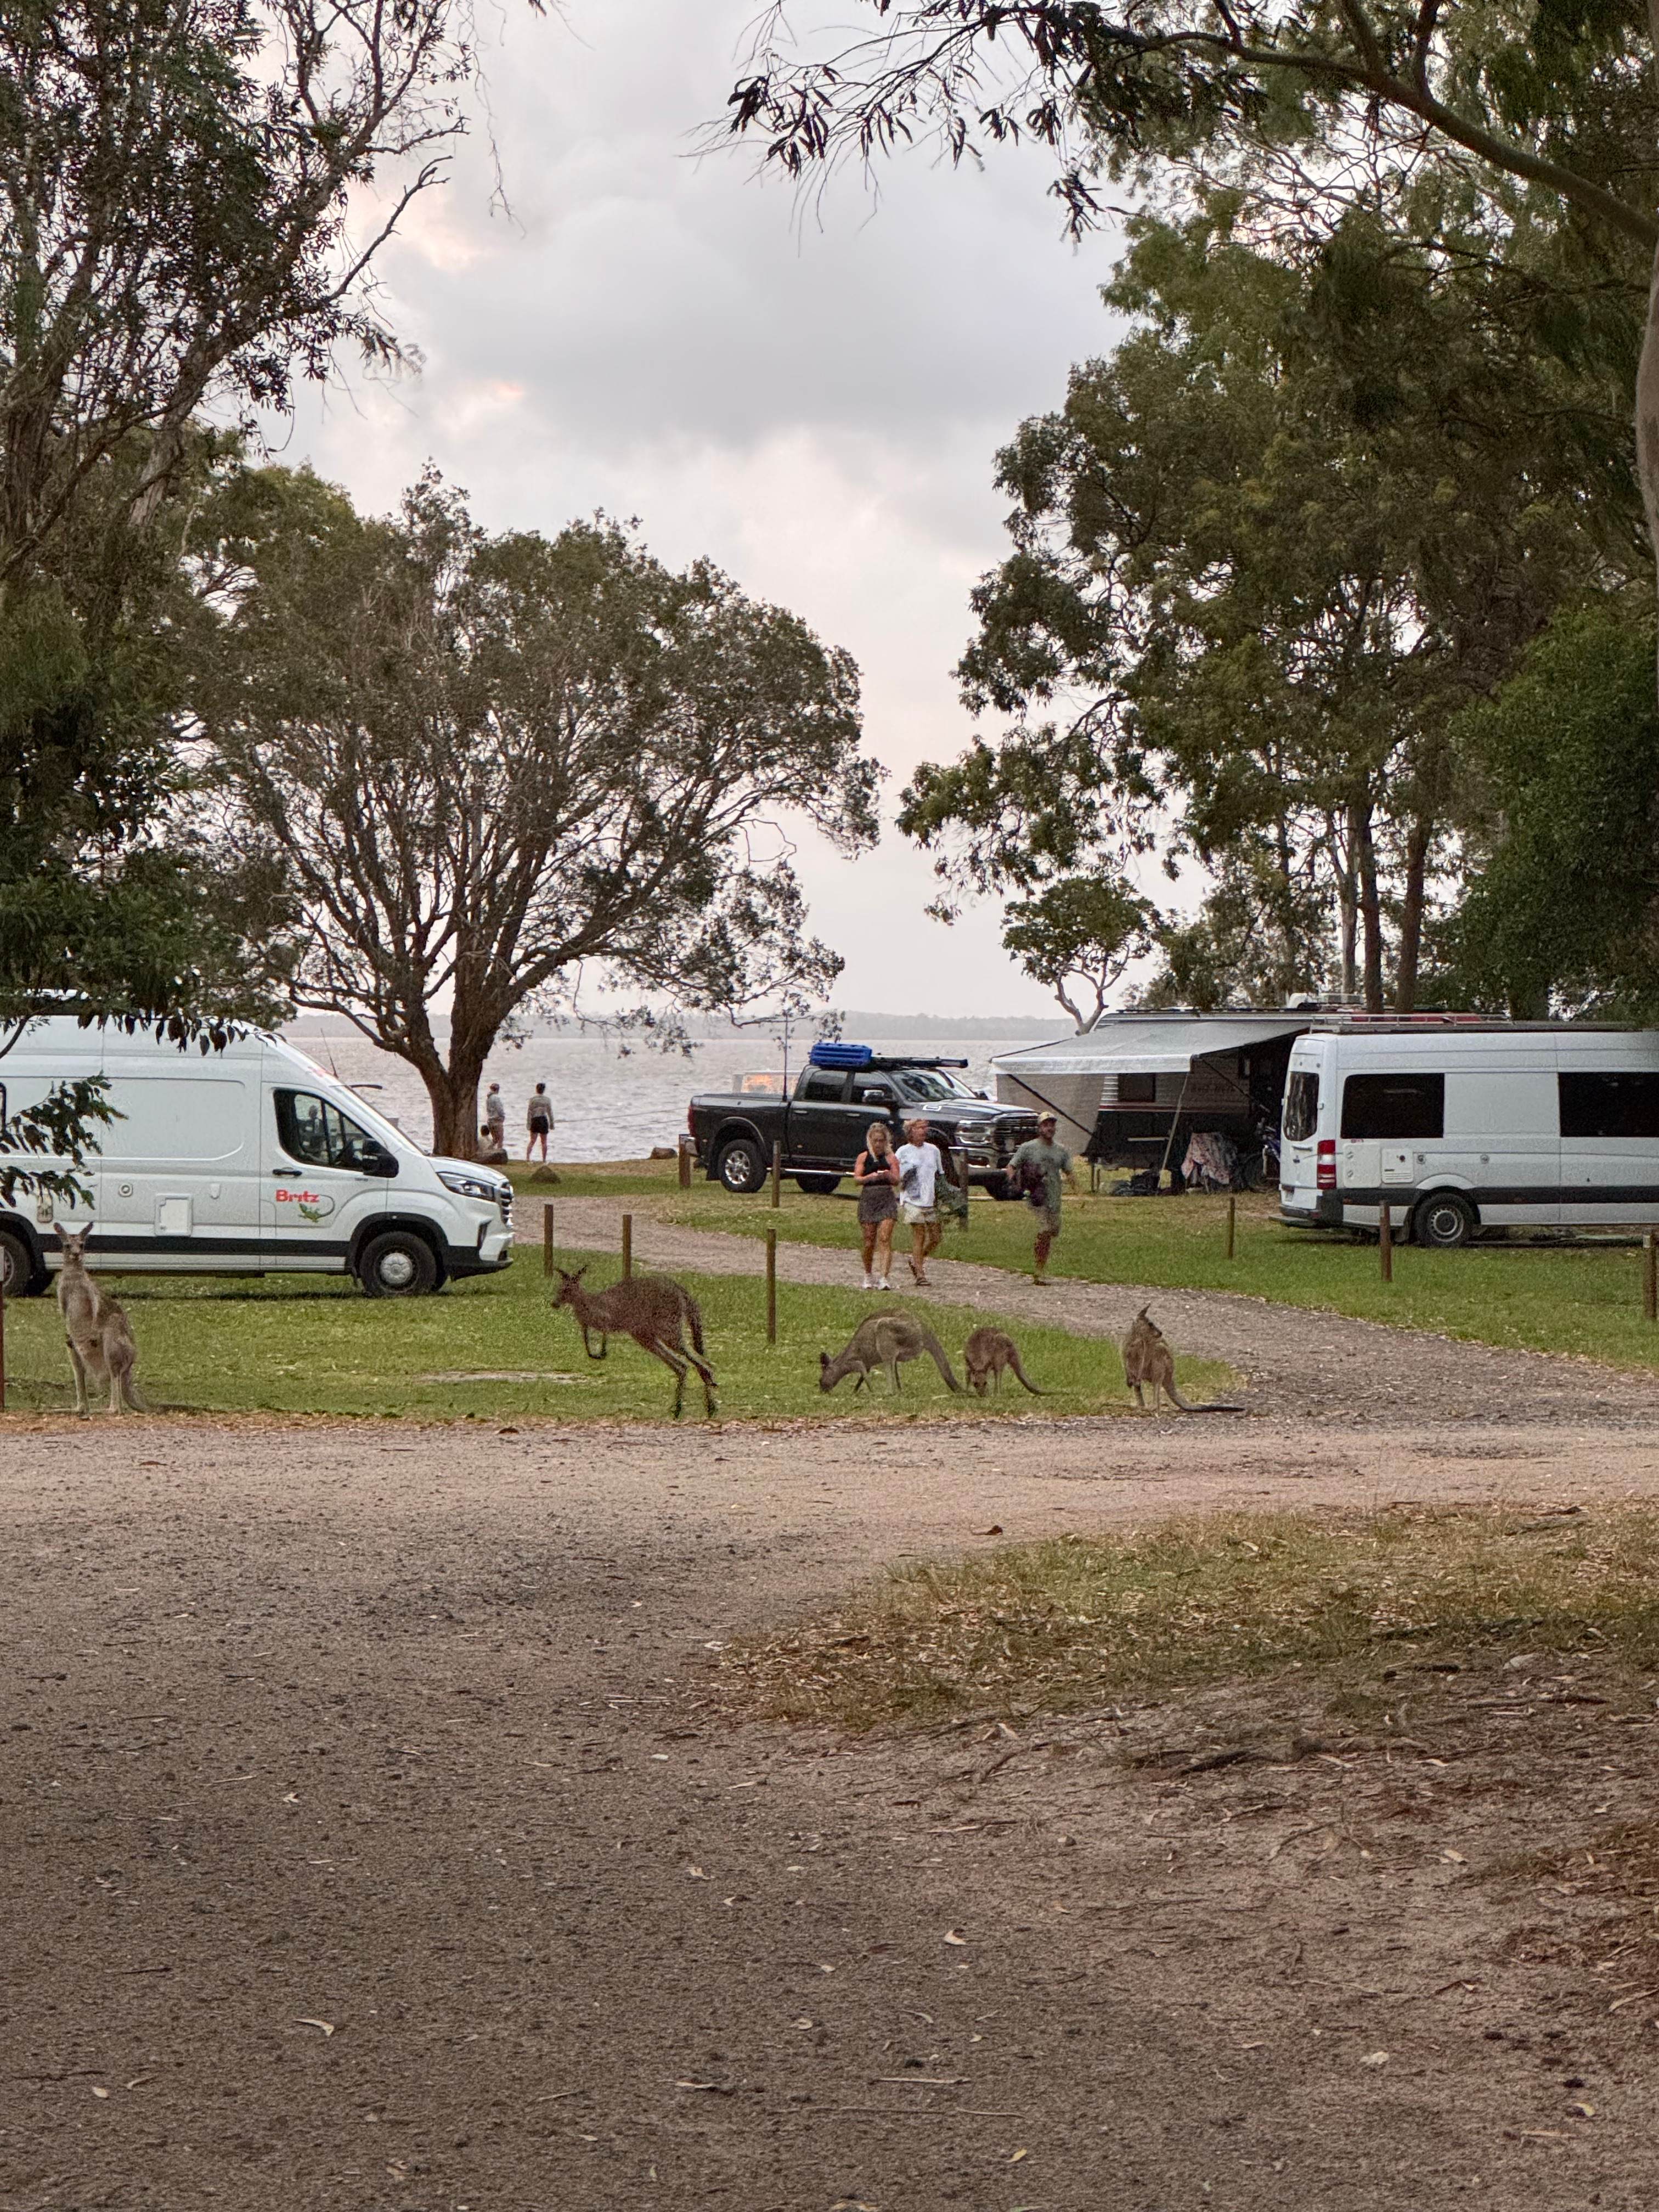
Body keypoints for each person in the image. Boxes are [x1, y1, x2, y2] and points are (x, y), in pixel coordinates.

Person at [1007, 1111, 1079, 1285]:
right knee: (1045, 1229)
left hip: (1053, 1197)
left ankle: (1041, 1264)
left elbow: (1069, 1172)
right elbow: (1012, 1166)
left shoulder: (1061, 1151)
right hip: (1036, 1197)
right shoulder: (1028, 1148)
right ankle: (1038, 1271)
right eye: (1046, 1125)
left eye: (1052, 1125)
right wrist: (1016, 1185)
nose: (1049, 1128)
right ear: (1039, 1128)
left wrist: (1079, 1191)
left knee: (1052, 1231)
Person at [895, 1116, 946, 1288]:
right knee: (919, 1233)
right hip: (912, 1199)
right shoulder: (903, 1152)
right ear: (911, 1131)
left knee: (936, 1237)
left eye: (925, 1128)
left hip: (930, 1199)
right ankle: (920, 1274)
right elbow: (897, 1175)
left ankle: (917, 1260)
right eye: (919, 1128)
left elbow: (939, 1174)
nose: (923, 1131)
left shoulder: (934, 1150)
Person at [853, 1121, 901, 1290]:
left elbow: (897, 1181)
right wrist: (870, 1177)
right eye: (876, 1141)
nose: (879, 1144)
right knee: (869, 1240)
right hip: (869, 1198)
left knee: (885, 1238)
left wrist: (888, 1175)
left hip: (886, 1198)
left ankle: (884, 1277)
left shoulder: (891, 1158)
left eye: (881, 1140)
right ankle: (868, 1274)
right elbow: (857, 1179)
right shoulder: (864, 1157)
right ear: (870, 1141)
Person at [526, 1082, 554, 1161]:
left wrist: (528, 1124)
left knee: (532, 1141)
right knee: (544, 1142)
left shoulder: (533, 1100)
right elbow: (550, 1112)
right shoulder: (547, 1100)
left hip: (535, 1120)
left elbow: (529, 1112)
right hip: (543, 1120)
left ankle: (528, 1158)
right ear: (544, 1090)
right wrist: (552, 1123)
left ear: (537, 1089)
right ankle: (544, 1159)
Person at [484, 1081, 507, 1151]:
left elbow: (488, 1110)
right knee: (500, 1138)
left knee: (495, 1139)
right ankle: (499, 1152)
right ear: (497, 1089)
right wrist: (503, 1116)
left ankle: (488, 1150)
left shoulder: (488, 1099)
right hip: (497, 1120)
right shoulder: (496, 1098)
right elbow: (499, 1109)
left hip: (490, 1120)